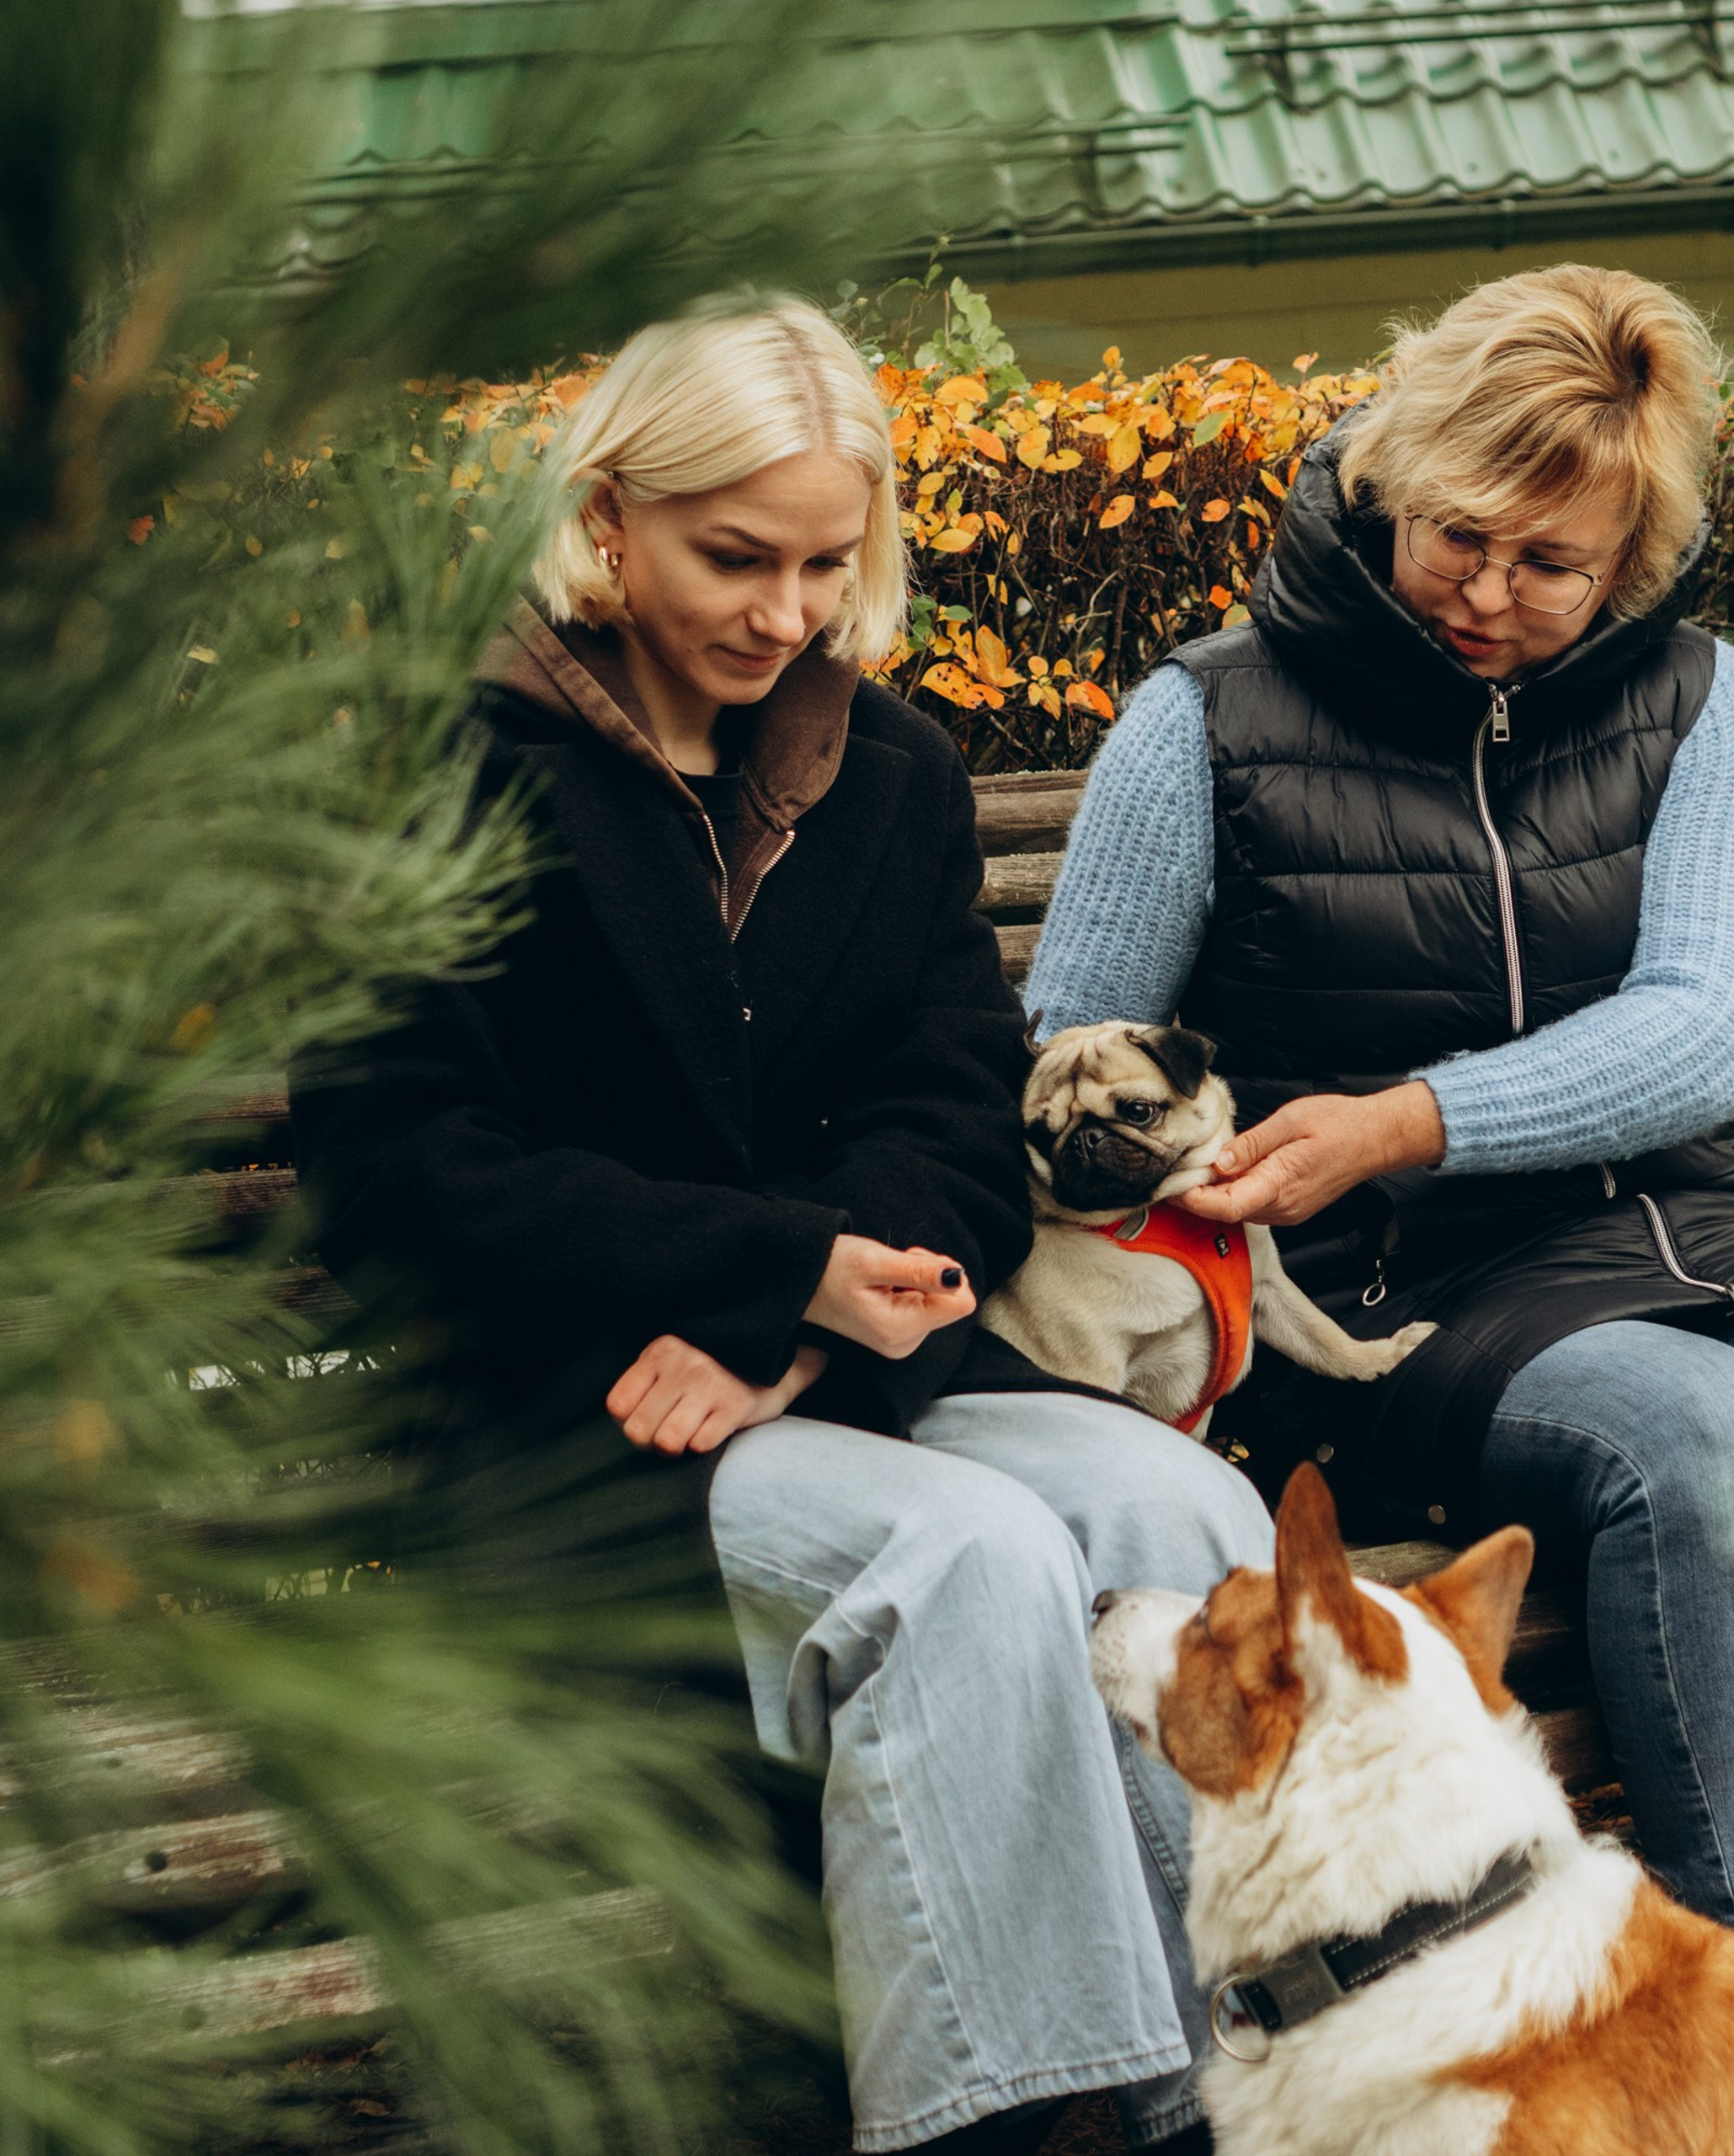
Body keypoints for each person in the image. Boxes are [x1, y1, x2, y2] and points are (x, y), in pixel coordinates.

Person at [291, 297, 1272, 2153]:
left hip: (845, 1377)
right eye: (735, 557)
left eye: (828, 561)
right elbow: (396, 1163)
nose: (786, 611)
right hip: (568, 1429)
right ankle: (1002, 2128)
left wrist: (811, 1322)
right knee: (972, 1559)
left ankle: (1212, 2103)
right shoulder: (446, 767)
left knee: (1183, 1516)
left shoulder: (885, 774)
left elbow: (952, 1108)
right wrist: (766, 1276)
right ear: (607, 518)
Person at [1025, 265, 1734, 2030]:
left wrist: (1411, 1115)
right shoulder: (1208, 720)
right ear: (1388, 479)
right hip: (1380, 1285)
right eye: (1458, 536)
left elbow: (1704, 1030)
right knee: (1707, 1442)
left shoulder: (1689, 698)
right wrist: (1210, 1207)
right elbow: (1063, 1056)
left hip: (1685, 1218)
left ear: (1627, 557)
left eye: (1549, 563)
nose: (1488, 593)